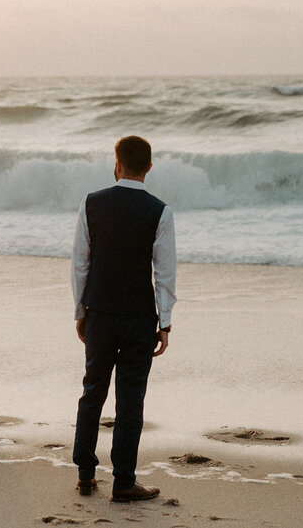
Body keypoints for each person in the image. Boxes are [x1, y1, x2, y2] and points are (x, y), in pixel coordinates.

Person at [71, 136, 176, 502]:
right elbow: (164, 274)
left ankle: (85, 473)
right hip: (137, 317)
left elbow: (80, 264)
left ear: (116, 164)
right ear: (148, 167)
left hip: (99, 311)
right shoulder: (159, 211)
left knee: (92, 391)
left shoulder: (91, 203)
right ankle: (124, 482)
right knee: (130, 400)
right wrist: (165, 323)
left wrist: (80, 312)